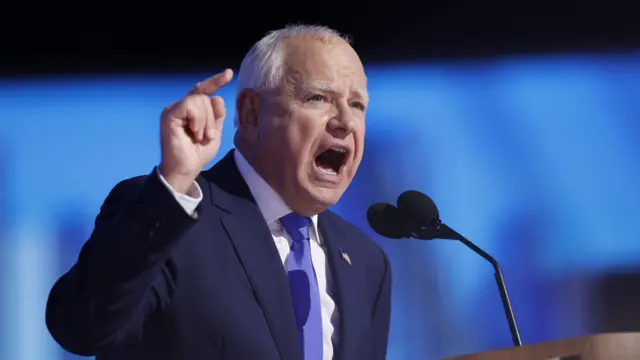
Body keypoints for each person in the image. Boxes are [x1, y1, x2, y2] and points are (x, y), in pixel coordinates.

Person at [45, 24, 392, 360]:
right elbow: (78, 328)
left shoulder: (365, 262)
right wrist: (175, 181)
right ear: (251, 115)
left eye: (358, 105)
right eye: (318, 98)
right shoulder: (168, 218)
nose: (346, 121)